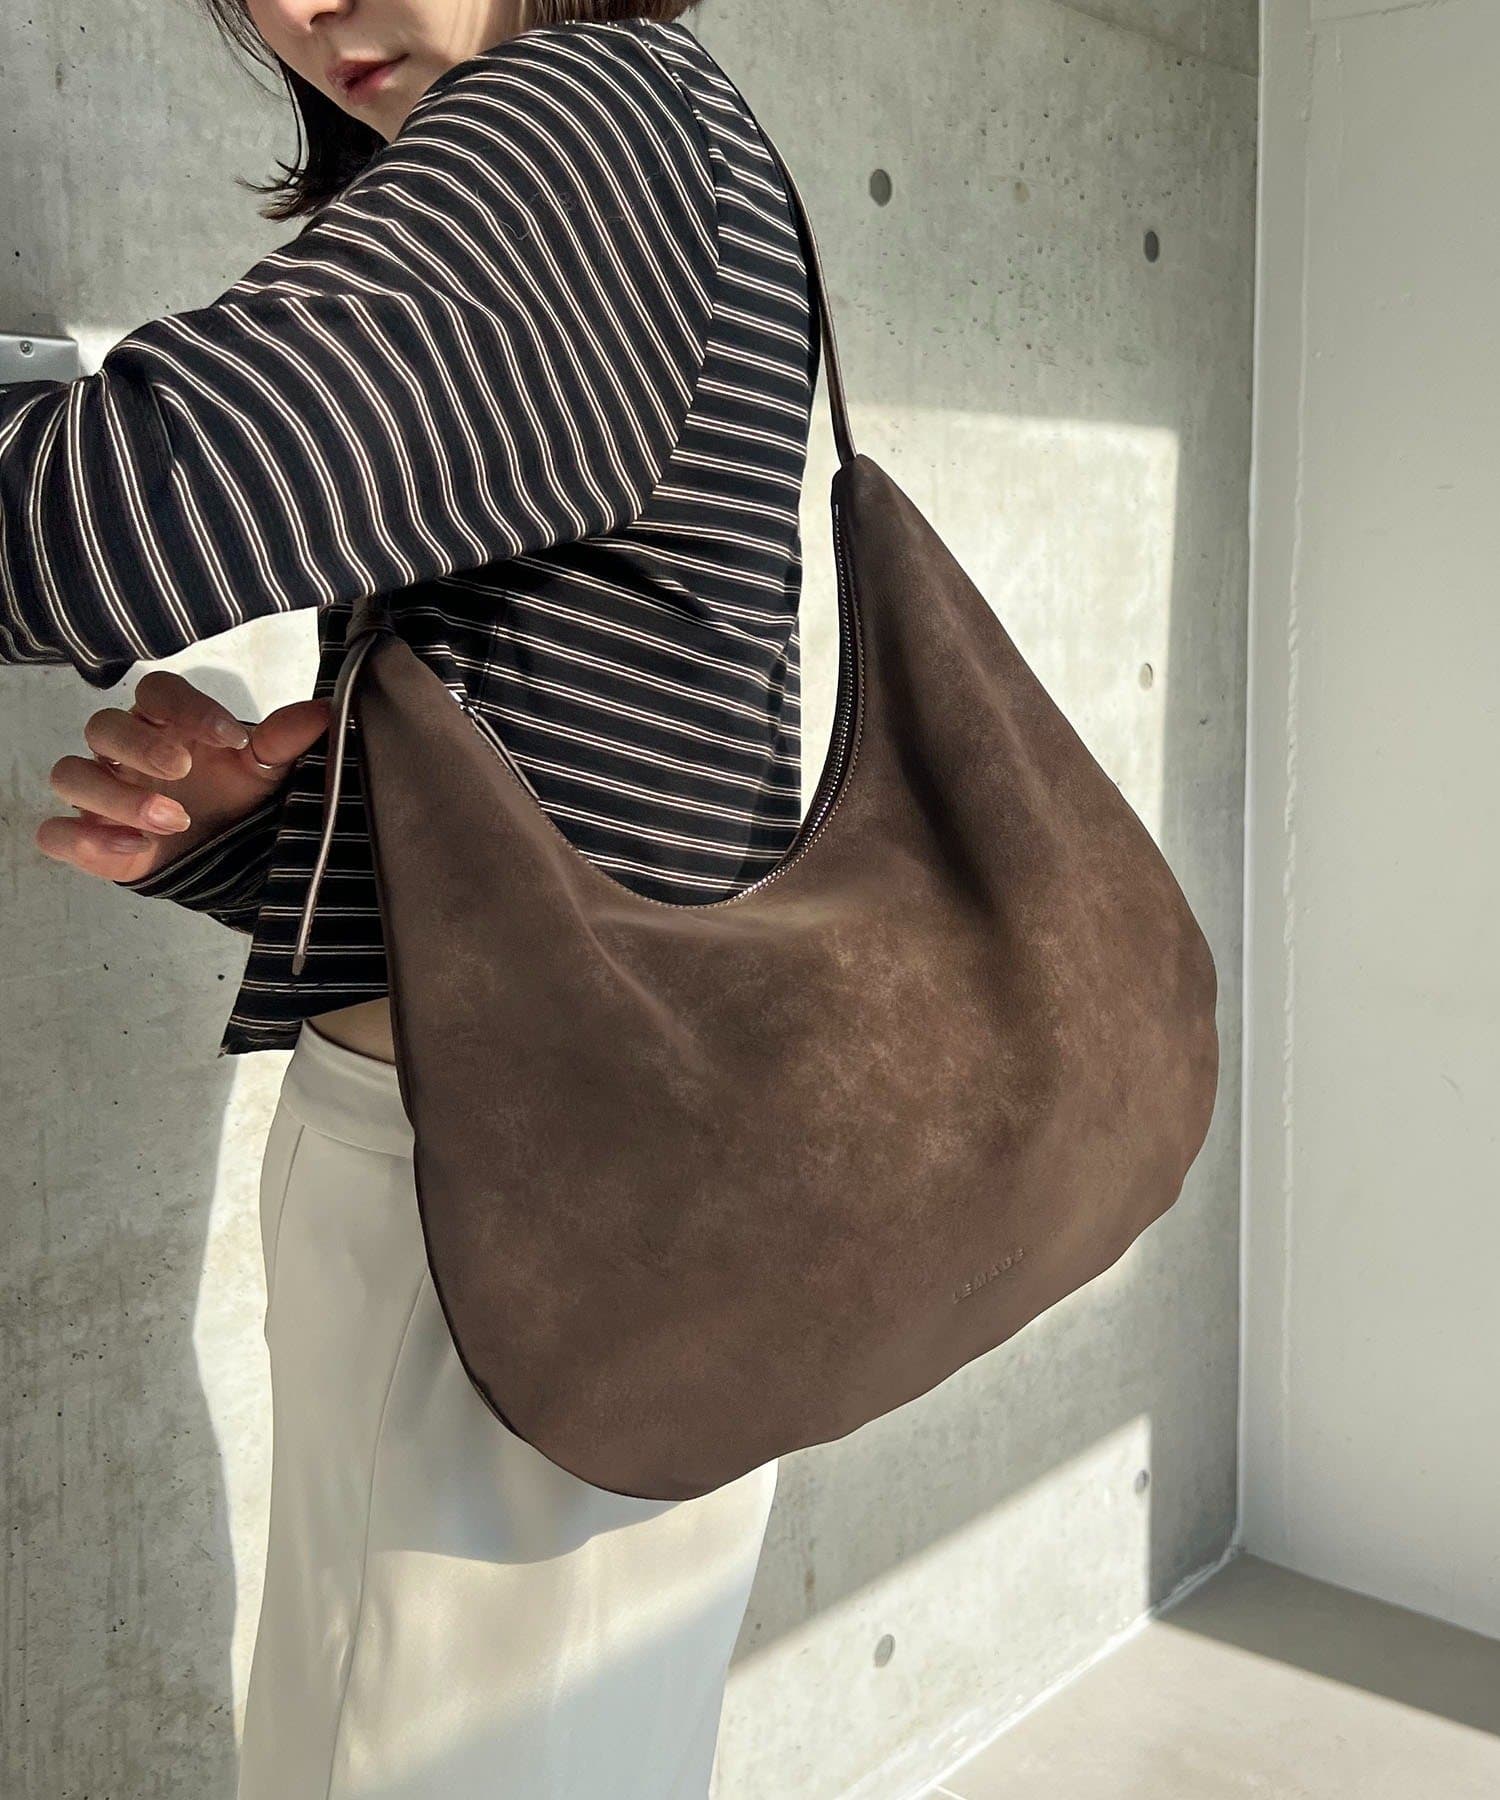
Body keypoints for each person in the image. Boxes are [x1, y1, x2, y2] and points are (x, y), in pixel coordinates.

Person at [1, 2, 816, 1793]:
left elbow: (106, 524)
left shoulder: (588, 121)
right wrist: (256, 839)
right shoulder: (684, 140)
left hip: (502, 1219)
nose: (300, 4)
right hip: (669, 1184)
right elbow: (636, 786)